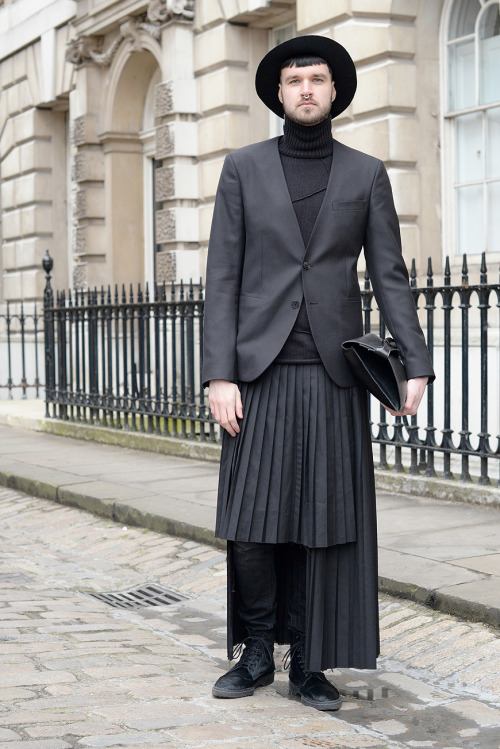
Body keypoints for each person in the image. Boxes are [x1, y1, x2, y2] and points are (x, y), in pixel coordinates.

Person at [201, 34, 434, 711]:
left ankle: (307, 663)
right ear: (279, 93)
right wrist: (220, 374)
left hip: (334, 377)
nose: (305, 88)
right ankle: (254, 653)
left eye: (317, 79)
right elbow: (223, 277)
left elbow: (390, 274)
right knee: (252, 526)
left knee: (319, 525)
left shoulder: (366, 174)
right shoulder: (243, 168)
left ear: (335, 92)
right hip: (258, 375)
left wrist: (414, 362)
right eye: (294, 79)